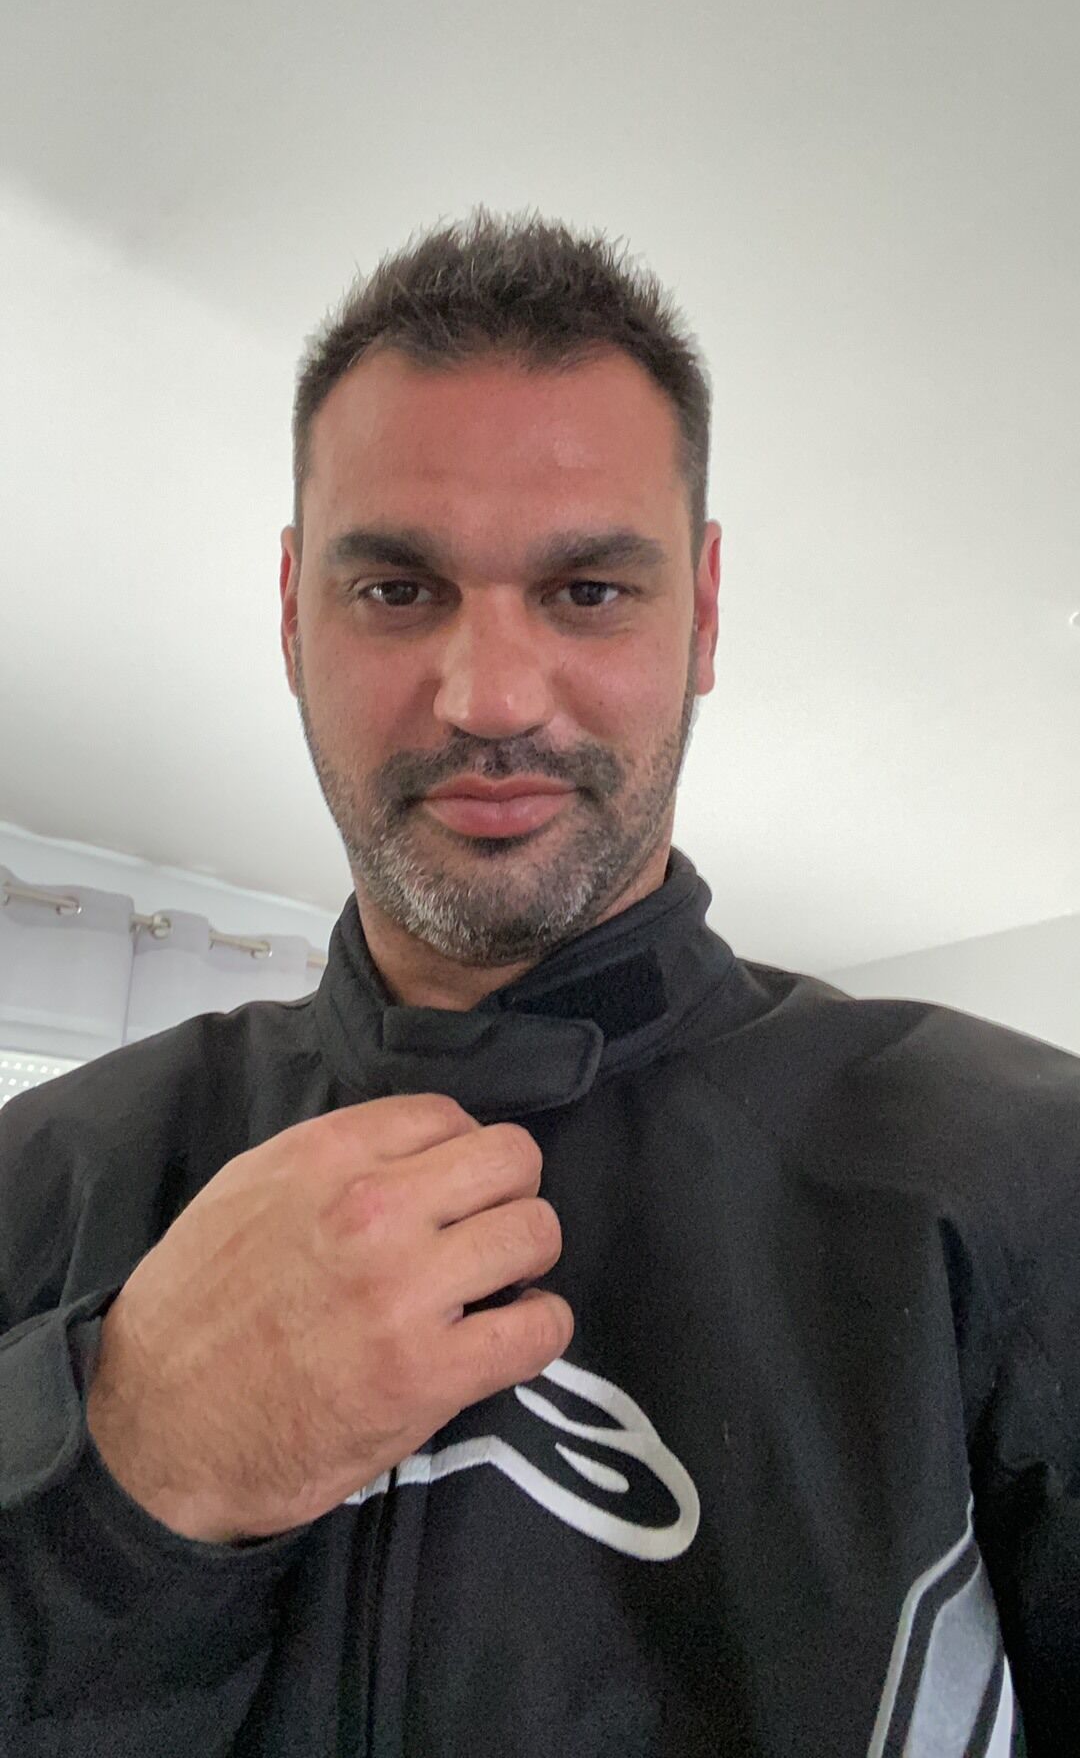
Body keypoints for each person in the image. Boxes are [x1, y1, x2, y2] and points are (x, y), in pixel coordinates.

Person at [0, 207, 1075, 1758]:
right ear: (291, 612)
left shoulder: (1025, 1176)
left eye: (587, 591)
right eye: (397, 590)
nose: (491, 697)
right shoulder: (43, 1177)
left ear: (704, 613)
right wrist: (116, 1471)